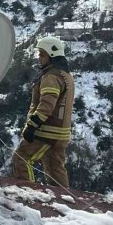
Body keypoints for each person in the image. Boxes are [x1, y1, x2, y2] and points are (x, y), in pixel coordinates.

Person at [11, 36, 74, 188]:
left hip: (46, 132)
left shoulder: (51, 77)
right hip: (62, 133)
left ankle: (27, 195)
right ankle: (66, 204)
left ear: (52, 55)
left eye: (42, 54)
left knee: (21, 159)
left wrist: (32, 125)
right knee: (55, 168)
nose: (39, 58)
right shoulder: (66, 75)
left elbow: (47, 105)